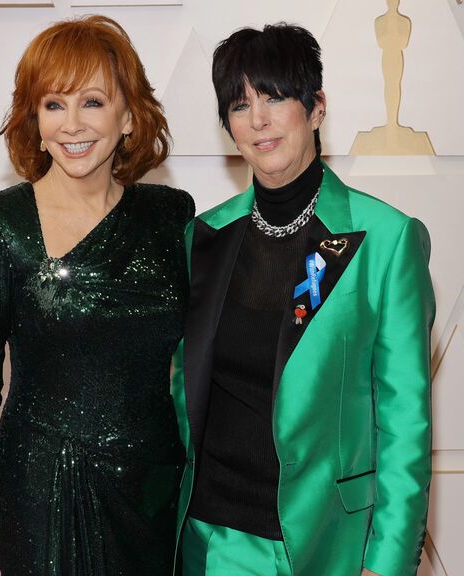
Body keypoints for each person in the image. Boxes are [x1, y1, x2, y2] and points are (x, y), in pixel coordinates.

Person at [171, 23, 435, 576]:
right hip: (208, 543)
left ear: (316, 107)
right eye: (240, 105)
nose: (259, 120)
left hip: (320, 546)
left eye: (275, 97)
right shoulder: (205, 239)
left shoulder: (385, 240)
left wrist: (386, 566)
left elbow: (405, 425)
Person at [0, 15, 193, 576]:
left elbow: (199, 366)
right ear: (34, 118)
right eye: (54, 104)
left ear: (129, 116)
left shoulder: (170, 216)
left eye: (93, 102)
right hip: (42, 498)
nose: (72, 124)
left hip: (154, 499)